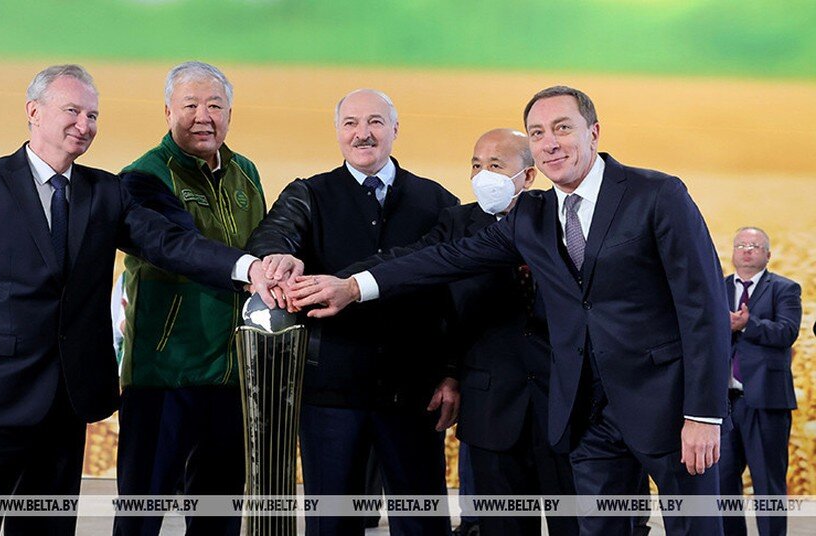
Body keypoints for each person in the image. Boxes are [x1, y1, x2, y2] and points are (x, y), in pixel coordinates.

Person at [289, 86, 731, 536]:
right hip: (585, 418)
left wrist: (704, 414)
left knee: (694, 527)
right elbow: (441, 258)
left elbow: (705, 309)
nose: (551, 142)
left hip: (668, 409)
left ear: (593, 132)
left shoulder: (656, 194)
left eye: (563, 128)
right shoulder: (532, 216)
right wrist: (353, 286)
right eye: (539, 133)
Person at [0, 64, 287, 536]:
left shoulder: (104, 191)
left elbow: (168, 242)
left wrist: (248, 268)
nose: (83, 125)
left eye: (92, 115)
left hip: (66, 406)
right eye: (72, 111)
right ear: (33, 112)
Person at [342, 128, 578, 536]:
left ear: (530, 175)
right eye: (476, 164)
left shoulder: (566, 218)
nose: (483, 174)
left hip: (564, 409)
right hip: (492, 410)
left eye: (496, 165)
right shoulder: (457, 223)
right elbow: (418, 269)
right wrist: (344, 283)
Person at [247, 88, 459, 536]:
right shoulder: (309, 193)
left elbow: (455, 297)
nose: (363, 134)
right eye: (351, 124)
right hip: (329, 396)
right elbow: (274, 236)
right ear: (338, 132)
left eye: (376, 122)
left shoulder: (437, 201)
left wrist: (451, 373)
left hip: (412, 395)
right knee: (332, 523)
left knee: (423, 524)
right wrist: (277, 259)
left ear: (395, 130)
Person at [112, 61, 273, 536]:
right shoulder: (142, 176)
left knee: (219, 508)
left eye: (215, 105)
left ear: (230, 113)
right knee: (144, 508)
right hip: (165, 371)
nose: (203, 116)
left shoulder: (245, 171)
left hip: (231, 370)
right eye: (190, 105)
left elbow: (262, 240)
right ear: (167, 112)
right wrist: (250, 269)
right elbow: (176, 247)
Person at [720, 227, 801, 536]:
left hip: (767, 401)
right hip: (725, 405)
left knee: (768, 484)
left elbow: (786, 332)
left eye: (755, 245)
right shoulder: (718, 288)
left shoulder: (785, 289)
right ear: (733, 252)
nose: (747, 250)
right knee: (723, 484)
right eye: (741, 244)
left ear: (768, 254)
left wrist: (746, 324)